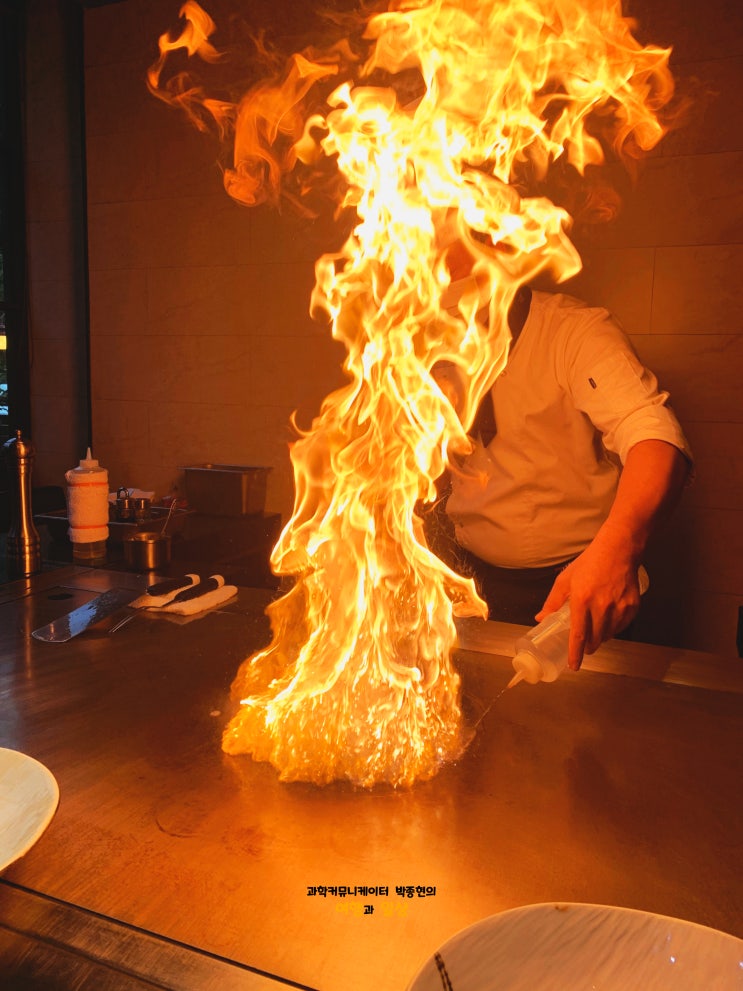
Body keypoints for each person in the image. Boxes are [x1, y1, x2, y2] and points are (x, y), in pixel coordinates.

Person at [428, 264, 693, 672]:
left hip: (579, 585)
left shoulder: (575, 332)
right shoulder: (423, 344)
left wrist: (619, 547)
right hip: (472, 582)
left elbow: (652, 432)